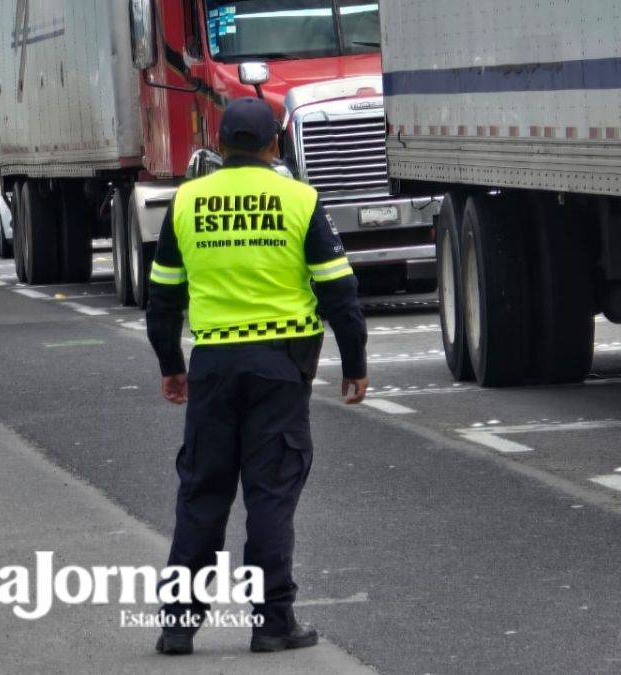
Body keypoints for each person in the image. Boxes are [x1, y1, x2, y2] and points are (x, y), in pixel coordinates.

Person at [146, 97, 369, 655]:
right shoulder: (299, 199)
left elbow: (163, 298)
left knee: (202, 493)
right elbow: (339, 292)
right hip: (280, 367)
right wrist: (355, 363)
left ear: (220, 147)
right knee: (270, 495)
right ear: (275, 145)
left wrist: (172, 365)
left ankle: (178, 623)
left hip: (214, 365)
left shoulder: (187, 201)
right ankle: (273, 621)